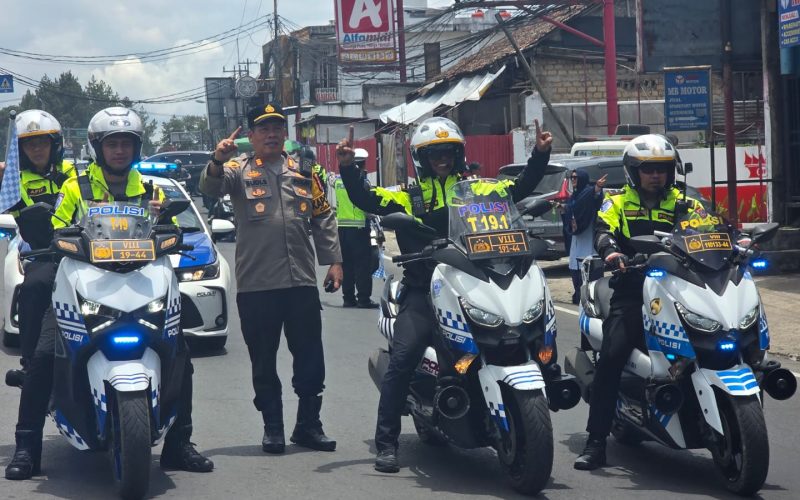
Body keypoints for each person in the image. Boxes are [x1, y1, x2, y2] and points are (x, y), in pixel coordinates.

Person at [5, 107, 214, 481]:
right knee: (42, 358)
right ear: (98, 148)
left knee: (180, 355)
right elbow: (55, 229)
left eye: (127, 144)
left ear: (137, 148)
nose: (120, 151)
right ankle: (27, 447)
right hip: (83, 281)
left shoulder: (151, 189)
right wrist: (50, 236)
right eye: (112, 144)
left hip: (139, 282)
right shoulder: (75, 187)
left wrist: (169, 227)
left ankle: (179, 443)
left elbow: (169, 229)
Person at [337, 116, 553, 473]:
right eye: (434, 153)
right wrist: (348, 169)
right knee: (405, 354)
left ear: (458, 154)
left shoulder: (477, 190)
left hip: (474, 281)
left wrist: (540, 156)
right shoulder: (407, 196)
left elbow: (516, 190)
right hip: (425, 289)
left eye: (448, 152)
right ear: (421, 159)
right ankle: (387, 442)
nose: (442, 158)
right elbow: (366, 198)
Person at [200, 102, 343, 455]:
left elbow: (323, 216)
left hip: (300, 283)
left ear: (285, 133)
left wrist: (335, 261)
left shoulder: (304, 169)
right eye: (263, 128)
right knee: (263, 360)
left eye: (277, 127)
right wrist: (217, 160)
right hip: (257, 285)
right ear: (251, 136)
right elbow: (210, 189)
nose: (272, 134)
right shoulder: (237, 169)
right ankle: (273, 428)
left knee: (311, 357)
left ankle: (309, 425)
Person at [574, 134, 702, 471]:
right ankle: (596, 442)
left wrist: (734, 241)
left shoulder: (686, 203)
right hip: (634, 289)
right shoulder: (616, 202)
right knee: (613, 355)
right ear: (634, 171)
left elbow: (711, 230)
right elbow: (603, 231)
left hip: (683, 288)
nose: (656, 175)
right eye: (648, 169)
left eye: (661, 169)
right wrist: (611, 252)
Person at [0, 110, 76, 388]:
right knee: (34, 286)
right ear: (19, 149)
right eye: (29, 144)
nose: (36, 148)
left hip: (85, 252)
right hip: (42, 253)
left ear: (55, 145)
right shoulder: (13, 181)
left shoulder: (77, 174)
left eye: (42, 142)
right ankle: (30, 364)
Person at [333, 148, 378, 308]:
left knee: (347, 265)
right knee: (363, 265)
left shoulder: (338, 181)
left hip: (342, 229)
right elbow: (367, 206)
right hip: (359, 228)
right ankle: (364, 299)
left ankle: (348, 298)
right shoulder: (363, 182)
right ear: (362, 165)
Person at [561, 170, 607, 304]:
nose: (573, 180)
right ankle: (578, 295)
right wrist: (565, 209)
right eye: (572, 177)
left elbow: (593, 198)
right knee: (575, 268)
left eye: (575, 177)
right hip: (576, 241)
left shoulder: (588, 193)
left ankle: (592, 297)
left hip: (589, 239)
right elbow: (573, 207)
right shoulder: (574, 195)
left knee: (590, 268)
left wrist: (597, 188)